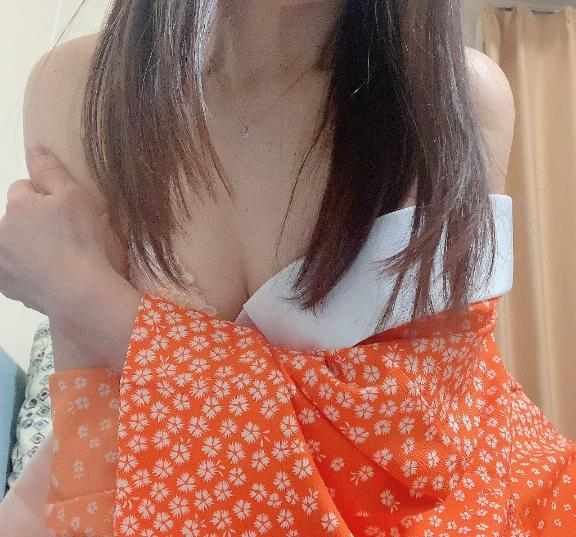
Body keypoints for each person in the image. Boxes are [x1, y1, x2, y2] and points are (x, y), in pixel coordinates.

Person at [1, 1, 574, 535]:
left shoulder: (458, 98)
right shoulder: (78, 89)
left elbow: (409, 461)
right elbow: (98, 430)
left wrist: (85, 297)